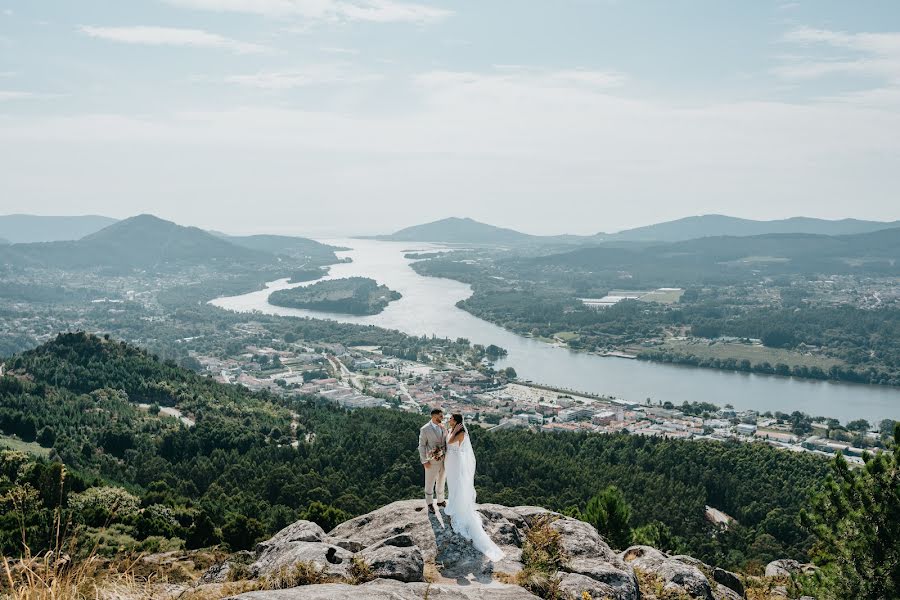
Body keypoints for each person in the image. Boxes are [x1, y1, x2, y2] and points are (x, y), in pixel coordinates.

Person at [443, 413, 504, 561]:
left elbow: (450, 442)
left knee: (457, 484)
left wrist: (453, 429)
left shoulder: (461, 432)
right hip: (449, 460)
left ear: (456, 421)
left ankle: (457, 507)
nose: (448, 420)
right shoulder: (453, 429)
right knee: (451, 484)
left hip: (456, 462)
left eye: (451, 419)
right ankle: (452, 501)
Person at [418, 407, 447, 513]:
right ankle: (430, 504)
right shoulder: (425, 429)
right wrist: (424, 461)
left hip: (443, 461)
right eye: (441, 416)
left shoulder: (443, 427)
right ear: (434, 416)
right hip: (431, 461)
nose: (443, 417)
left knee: (441, 481)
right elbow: (421, 446)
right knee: (429, 483)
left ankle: (440, 501)